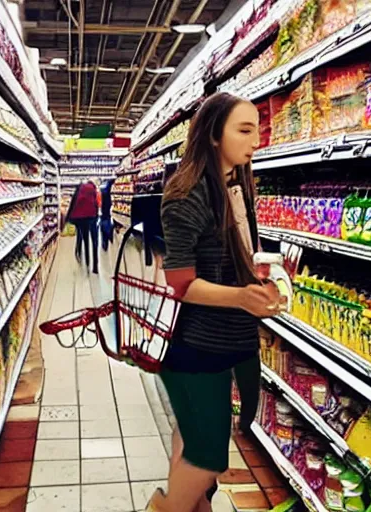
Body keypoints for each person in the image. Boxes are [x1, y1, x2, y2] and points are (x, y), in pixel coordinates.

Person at [146, 93, 281, 512]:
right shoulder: (187, 193)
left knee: (192, 440)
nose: (256, 140)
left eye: (257, 128)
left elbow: (234, 257)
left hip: (224, 342)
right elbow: (181, 283)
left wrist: (263, 280)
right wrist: (242, 297)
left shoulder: (236, 187)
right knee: (206, 455)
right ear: (212, 134)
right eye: (244, 130)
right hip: (197, 345)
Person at [66, 179, 99, 274]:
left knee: (84, 238)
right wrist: (96, 215)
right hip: (92, 216)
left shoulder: (80, 187)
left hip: (80, 218)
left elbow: (73, 202)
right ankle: (95, 266)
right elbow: (96, 203)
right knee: (95, 241)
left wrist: (68, 217)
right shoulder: (93, 188)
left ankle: (85, 258)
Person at [100, 179, 115, 251]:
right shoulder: (109, 191)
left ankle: (104, 243)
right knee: (107, 224)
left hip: (104, 211)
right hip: (108, 211)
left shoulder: (103, 189)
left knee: (104, 225)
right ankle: (109, 237)